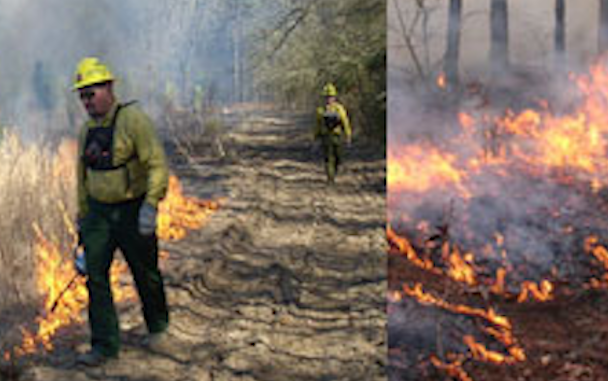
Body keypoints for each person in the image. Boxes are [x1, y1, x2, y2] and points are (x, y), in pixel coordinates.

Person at [73, 57, 170, 366]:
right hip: (99, 216)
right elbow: (82, 178)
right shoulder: (85, 131)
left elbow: (156, 163)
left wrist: (151, 205)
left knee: (146, 272)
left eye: (92, 92)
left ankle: (158, 327)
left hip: (132, 210)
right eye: (82, 95)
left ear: (109, 87)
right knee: (96, 278)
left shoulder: (133, 120)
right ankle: (105, 346)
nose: (87, 100)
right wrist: (83, 219)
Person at [313, 83, 352, 184]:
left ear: (334, 97)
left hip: (337, 136)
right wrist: (316, 137)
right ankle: (330, 178)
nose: (328, 99)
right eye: (327, 97)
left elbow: (345, 122)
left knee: (338, 157)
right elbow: (317, 125)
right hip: (325, 137)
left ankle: (334, 172)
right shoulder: (320, 110)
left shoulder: (339, 109)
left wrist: (348, 135)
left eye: (330, 97)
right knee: (328, 158)